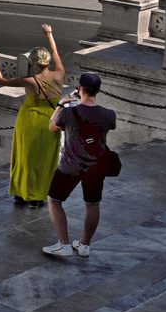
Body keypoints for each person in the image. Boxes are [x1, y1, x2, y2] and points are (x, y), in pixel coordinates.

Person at [0, 25, 67, 208]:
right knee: (46, 158)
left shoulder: (30, 81)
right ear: (48, 60)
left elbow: (1, 80)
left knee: (25, 156)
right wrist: (49, 33)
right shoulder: (60, 74)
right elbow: (55, 50)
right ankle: (37, 196)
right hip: (51, 120)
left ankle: (19, 193)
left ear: (33, 63)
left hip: (29, 119)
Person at [43, 72, 117, 258]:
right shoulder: (109, 115)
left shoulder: (68, 113)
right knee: (92, 204)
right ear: (99, 90)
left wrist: (62, 103)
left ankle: (64, 244)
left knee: (54, 200)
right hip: (95, 167)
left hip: (70, 165)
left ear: (80, 88)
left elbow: (52, 126)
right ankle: (84, 245)